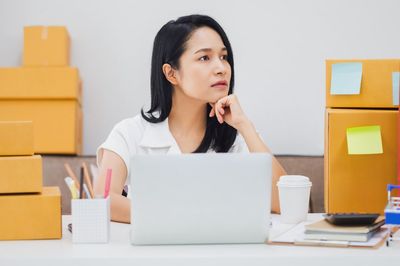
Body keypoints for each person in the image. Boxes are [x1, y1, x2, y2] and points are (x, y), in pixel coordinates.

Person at [95, 14, 287, 223]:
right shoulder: (129, 133)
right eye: (204, 58)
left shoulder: (238, 135)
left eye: (224, 57)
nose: (221, 68)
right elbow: (103, 199)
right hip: (152, 253)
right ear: (171, 74)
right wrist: (185, 216)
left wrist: (245, 126)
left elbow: (284, 202)